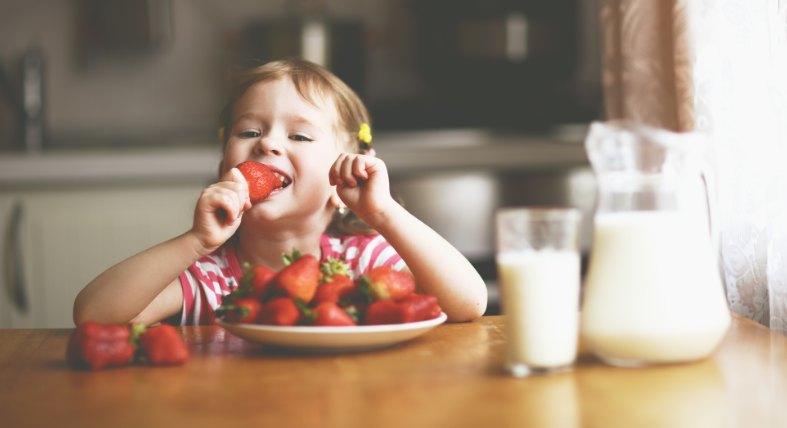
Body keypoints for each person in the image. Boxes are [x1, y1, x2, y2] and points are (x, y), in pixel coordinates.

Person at [73, 59, 487, 326]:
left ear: (342, 180)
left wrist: (384, 215)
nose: (267, 144)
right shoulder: (210, 277)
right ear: (223, 170)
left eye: (300, 136)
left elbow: (469, 304)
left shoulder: (363, 261)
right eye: (249, 131)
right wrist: (195, 241)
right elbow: (94, 315)